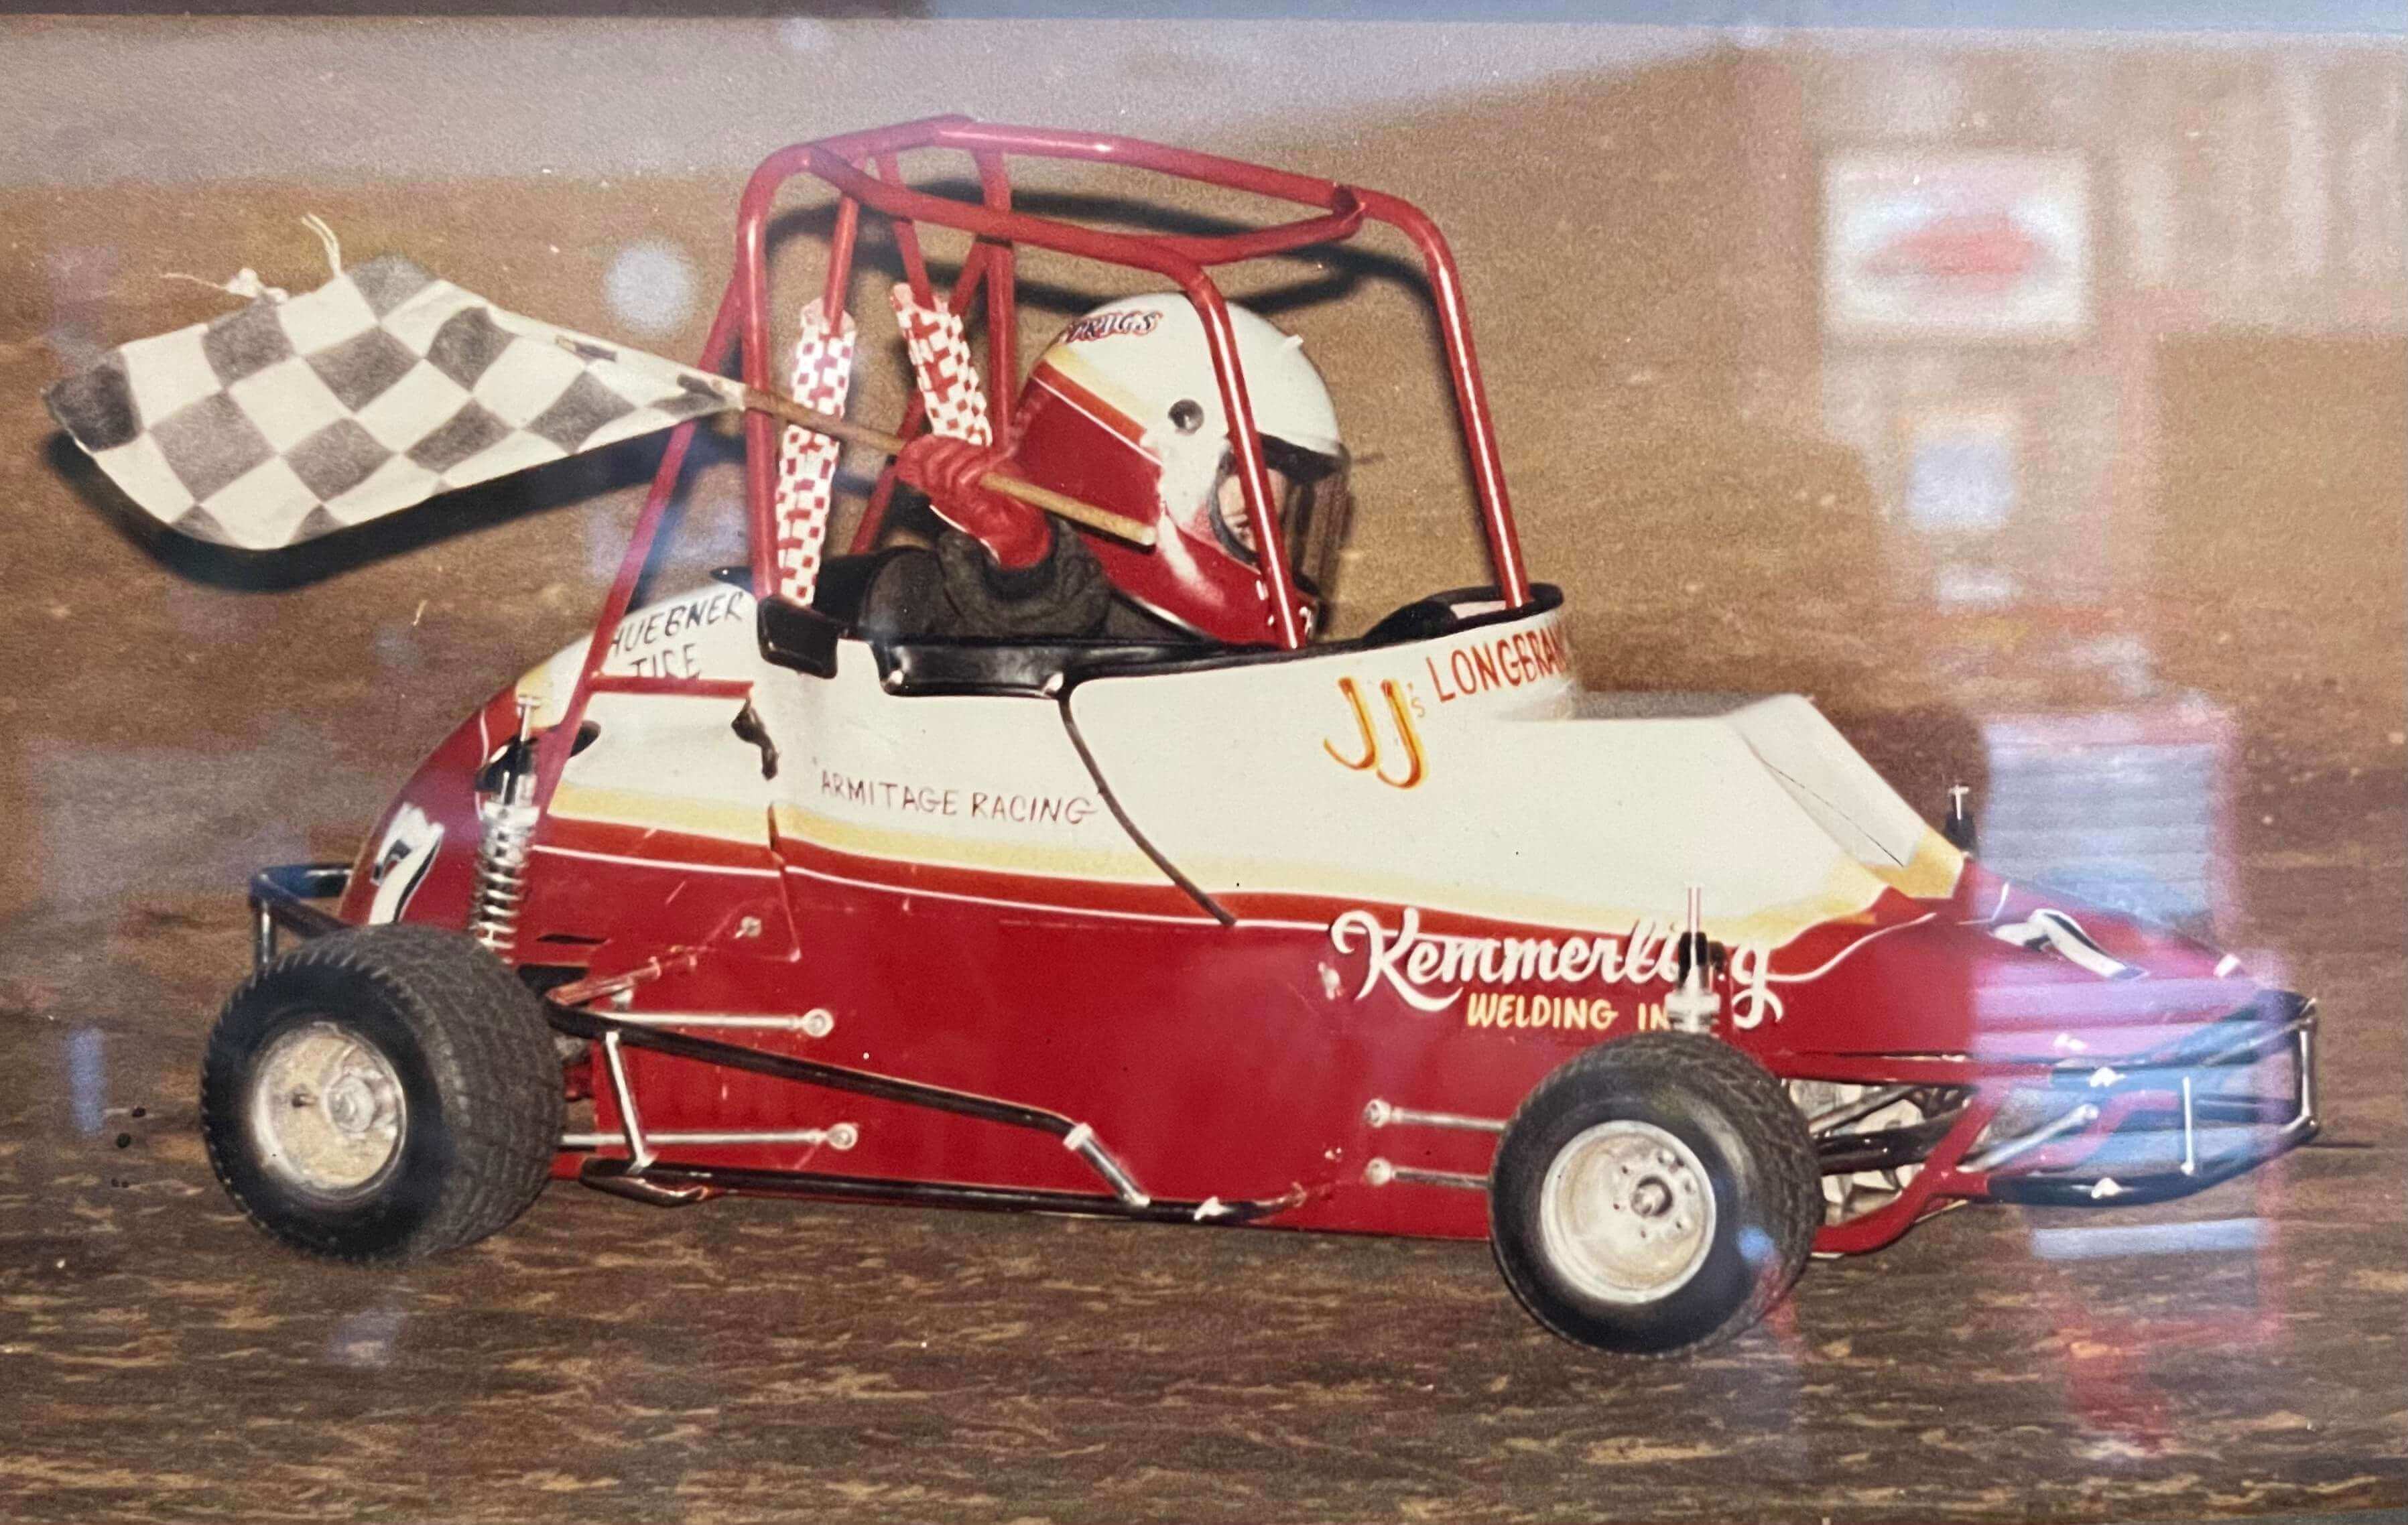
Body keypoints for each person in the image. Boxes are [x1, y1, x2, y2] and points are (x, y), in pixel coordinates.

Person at [857, 294, 1352, 646]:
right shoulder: (1060, 614)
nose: (1271, 504)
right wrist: (1026, 566)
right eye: (1244, 470)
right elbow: (1036, 632)